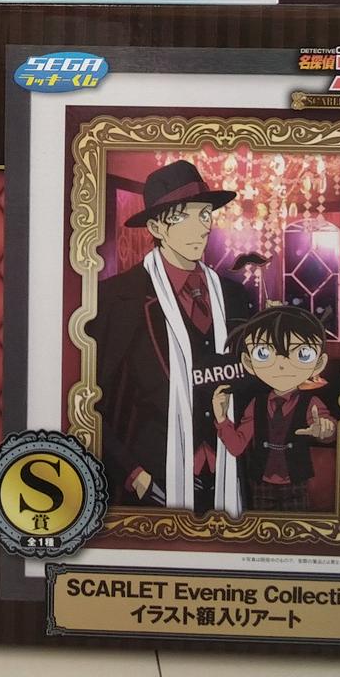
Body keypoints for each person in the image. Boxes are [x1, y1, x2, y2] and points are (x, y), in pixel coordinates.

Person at [85, 159, 254, 516]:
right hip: (153, 483)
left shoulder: (235, 296)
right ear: (157, 227)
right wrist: (135, 475)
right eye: (183, 217)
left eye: (204, 214)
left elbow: (254, 383)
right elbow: (88, 400)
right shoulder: (117, 298)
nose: (201, 227)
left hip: (230, 477)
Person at [212, 305, 338, 511]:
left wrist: (325, 429)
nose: (281, 365)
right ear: (248, 362)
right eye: (263, 353)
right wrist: (222, 418)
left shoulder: (311, 404)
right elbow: (236, 446)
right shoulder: (256, 404)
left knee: (296, 528)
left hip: (296, 483)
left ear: (318, 362)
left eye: (301, 354)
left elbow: (328, 428)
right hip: (261, 485)